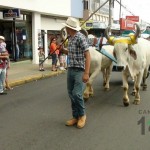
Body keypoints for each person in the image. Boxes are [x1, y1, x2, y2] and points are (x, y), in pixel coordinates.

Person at [61, 17, 91, 128]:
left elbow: (87, 55)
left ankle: (82, 116)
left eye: (66, 26)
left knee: (77, 94)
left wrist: (86, 73)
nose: (65, 27)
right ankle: (75, 116)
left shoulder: (80, 37)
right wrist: (65, 51)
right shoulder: (71, 38)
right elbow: (73, 53)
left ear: (69, 27)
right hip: (71, 69)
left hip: (79, 70)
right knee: (70, 93)